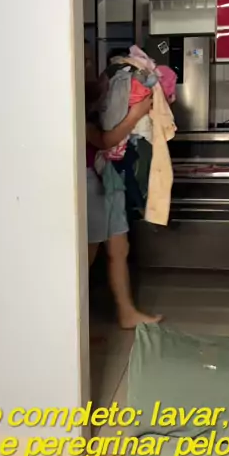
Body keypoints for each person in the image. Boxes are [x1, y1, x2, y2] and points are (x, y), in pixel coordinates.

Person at [85, 78, 162, 329]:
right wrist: (135, 114)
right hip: (88, 184)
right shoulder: (71, 111)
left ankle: (126, 313)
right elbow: (105, 140)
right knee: (85, 256)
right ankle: (69, 323)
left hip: (107, 181)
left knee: (119, 248)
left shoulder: (97, 103)